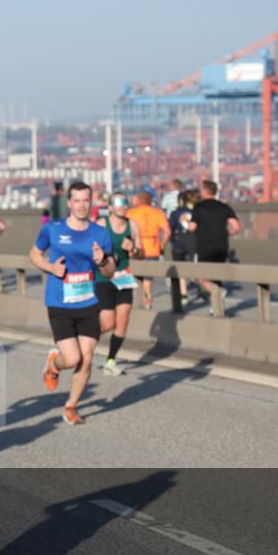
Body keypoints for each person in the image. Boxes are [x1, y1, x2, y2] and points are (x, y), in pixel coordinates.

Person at [30, 181, 114, 425]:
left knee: (87, 358)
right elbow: (34, 254)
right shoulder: (53, 229)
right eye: (76, 200)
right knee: (72, 358)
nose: (81, 205)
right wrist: (50, 267)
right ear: (69, 203)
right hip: (60, 303)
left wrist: (102, 261)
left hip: (88, 302)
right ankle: (54, 365)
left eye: (86, 200)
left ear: (92, 202)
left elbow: (110, 271)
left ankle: (71, 406)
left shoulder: (100, 233)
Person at [95, 194, 141, 375]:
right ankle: (84, 344)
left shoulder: (133, 225)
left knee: (123, 321)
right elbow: (90, 249)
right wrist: (105, 258)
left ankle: (110, 361)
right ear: (110, 207)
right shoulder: (101, 224)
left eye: (125, 202)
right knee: (107, 324)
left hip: (124, 278)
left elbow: (140, 253)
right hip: (104, 278)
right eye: (118, 203)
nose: (122, 206)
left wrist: (133, 249)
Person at [188, 180, 241, 303]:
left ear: (205, 191)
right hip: (222, 246)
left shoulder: (199, 207)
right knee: (216, 276)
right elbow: (236, 227)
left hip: (205, 246)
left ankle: (218, 292)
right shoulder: (224, 207)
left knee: (202, 277)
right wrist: (226, 233)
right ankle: (216, 307)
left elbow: (192, 227)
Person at [126, 189, 170, 309]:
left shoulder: (131, 213)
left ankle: (138, 300)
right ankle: (148, 300)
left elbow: (125, 230)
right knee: (148, 278)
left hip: (135, 248)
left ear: (139, 200)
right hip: (152, 247)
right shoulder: (157, 213)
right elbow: (167, 231)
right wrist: (161, 244)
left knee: (136, 276)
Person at [168, 189, 198, 303]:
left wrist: (171, 240)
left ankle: (184, 294)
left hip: (179, 242)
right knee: (194, 267)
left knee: (180, 269)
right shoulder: (193, 212)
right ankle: (201, 288)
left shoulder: (175, 213)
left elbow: (170, 227)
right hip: (192, 241)